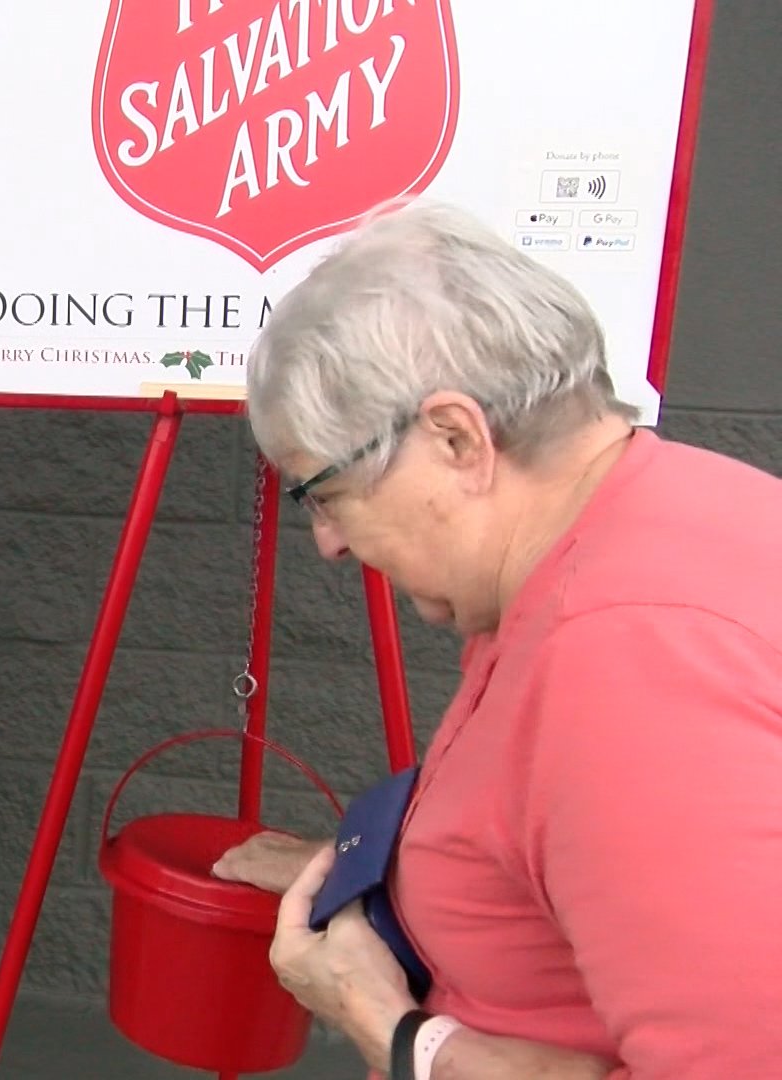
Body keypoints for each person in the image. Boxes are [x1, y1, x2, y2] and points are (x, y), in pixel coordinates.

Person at [212, 201, 782, 1079]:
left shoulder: (627, 668)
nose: (327, 541)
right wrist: (380, 884)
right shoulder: (664, 507)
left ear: (455, 439)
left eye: (322, 492)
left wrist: (397, 1032)